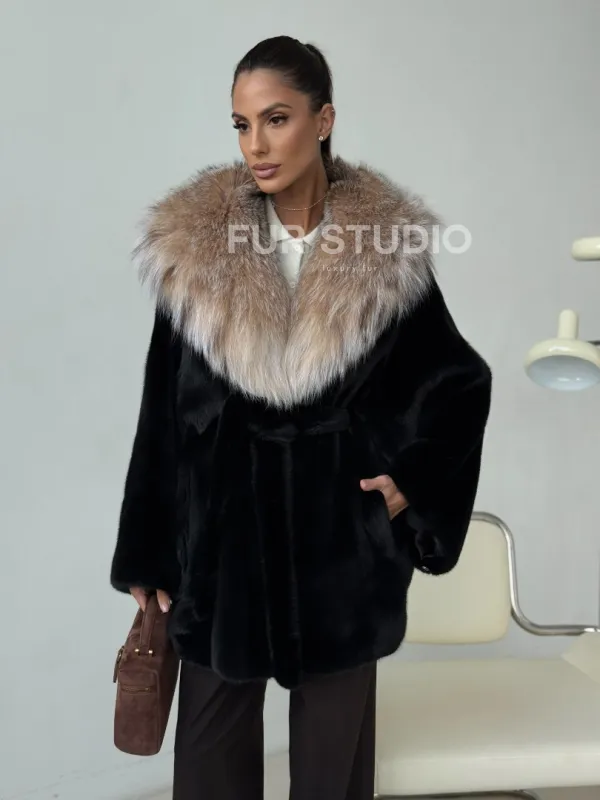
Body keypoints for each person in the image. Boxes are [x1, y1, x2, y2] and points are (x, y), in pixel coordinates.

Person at [110, 34, 492, 800]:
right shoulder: (194, 253)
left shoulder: (384, 254)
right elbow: (163, 412)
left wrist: (407, 484)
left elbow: (459, 383)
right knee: (210, 771)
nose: (256, 143)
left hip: (340, 556)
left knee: (331, 780)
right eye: (241, 124)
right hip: (220, 551)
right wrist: (148, 554)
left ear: (323, 120)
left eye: (276, 118)